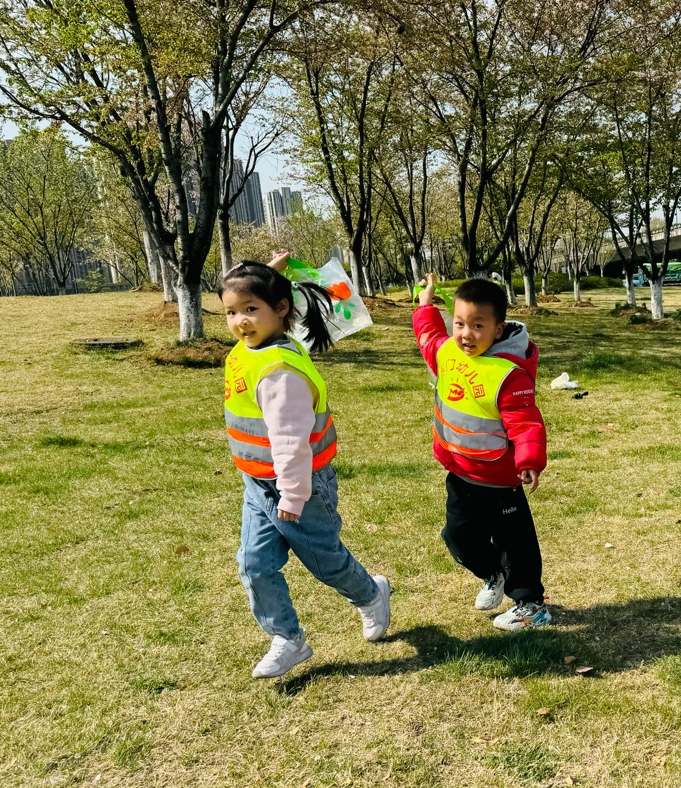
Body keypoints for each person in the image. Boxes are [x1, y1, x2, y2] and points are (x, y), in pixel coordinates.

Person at [221, 260, 391, 679]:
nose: (240, 321)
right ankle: (288, 638)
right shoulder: (254, 346)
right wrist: (267, 271)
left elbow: (290, 441)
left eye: (250, 309)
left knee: (324, 561)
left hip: (298, 486)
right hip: (257, 484)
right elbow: (257, 297)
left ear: (281, 308)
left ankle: (370, 594)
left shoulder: (280, 373)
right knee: (254, 564)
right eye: (231, 311)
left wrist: (294, 495)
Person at [413, 275, 550, 630]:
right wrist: (425, 304)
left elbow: (526, 422)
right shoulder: (448, 353)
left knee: (515, 543)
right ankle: (493, 574)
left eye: (478, 326)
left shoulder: (508, 374)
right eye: (459, 323)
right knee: (457, 536)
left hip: (501, 480)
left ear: (498, 329)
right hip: (460, 473)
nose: (466, 334)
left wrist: (529, 460)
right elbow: (428, 336)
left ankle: (531, 605)